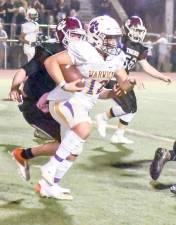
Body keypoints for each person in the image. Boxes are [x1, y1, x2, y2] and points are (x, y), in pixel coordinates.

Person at [38, 15, 140, 200]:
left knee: (74, 150)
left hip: (82, 104)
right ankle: (50, 167)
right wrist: (63, 85)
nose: (114, 42)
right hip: (66, 99)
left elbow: (119, 86)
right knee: (85, 127)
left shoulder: (116, 58)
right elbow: (51, 61)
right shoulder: (83, 48)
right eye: (109, 37)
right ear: (96, 36)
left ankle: (48, 186)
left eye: (115, 37)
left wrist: (129, 84)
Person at [9, 17, 86, 182]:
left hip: (55, 105)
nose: (77, 40)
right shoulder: (49, 50)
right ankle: (29, 160)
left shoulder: (77, 54)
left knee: (72, 141)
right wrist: (15, 87)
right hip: (35, 106)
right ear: (62, 34)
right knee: (70, 143)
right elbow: (25, 70)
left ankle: (25, 155)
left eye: (79, 36)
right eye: (73, 35)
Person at [95, 16, 171, 144]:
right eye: (135, 30)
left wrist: (161, 76)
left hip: (126, 79)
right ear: (127, 29)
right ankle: (102, 117)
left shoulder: (140, 47)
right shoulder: (119, 41)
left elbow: (146, 66)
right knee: (127, 107)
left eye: (140, 31)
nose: (138, 33)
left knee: (132, 108)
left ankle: (118, 134)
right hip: (113, 77)